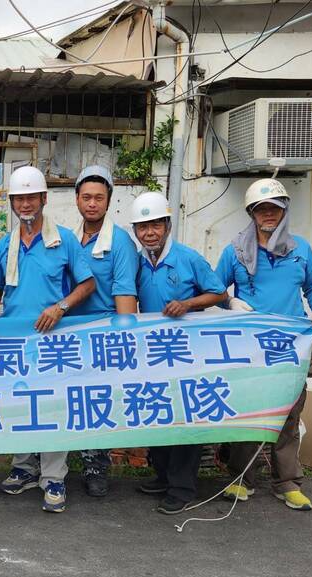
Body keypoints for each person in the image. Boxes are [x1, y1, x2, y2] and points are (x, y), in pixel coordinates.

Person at [215, 178, 312, 511]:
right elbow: (213, 286)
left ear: (284, 211)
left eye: (274, 209)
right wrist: (229, 303)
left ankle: (287, 483)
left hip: (292, 346)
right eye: (262, 209)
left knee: (289, 415)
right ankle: (241, 478)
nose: (269, 214)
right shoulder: (235, 251)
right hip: (250, 347)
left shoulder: (301, 249)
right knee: (250, 413)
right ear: (252, 212)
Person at [0, 166, 95, 513]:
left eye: (30, 197)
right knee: (20, 404)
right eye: (18, 198)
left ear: (43, 199)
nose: (25, 204)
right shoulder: (5, 245)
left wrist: (61, 307)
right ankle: (23, 468)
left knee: (53, 408)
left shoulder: (63, 239)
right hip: (15, 344)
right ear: (12, 202)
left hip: (53, 342)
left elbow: (87, 284)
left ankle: (53, 477)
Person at [129, 192, 228, 515]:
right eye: (143, 227)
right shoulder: (137, 262)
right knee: (158, 413)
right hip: (153, 353)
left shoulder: (188, 259)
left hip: (187, 354)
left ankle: (182, 488)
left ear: (168, 225)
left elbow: (218, 293)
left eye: (156, 224)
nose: (150, 233)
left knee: (185, 420)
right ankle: (162, 475)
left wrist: (188, 304)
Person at [69, 165, 138, 498]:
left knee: (97, 402)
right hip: (67, 334)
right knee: (67, 399)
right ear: (77, 200)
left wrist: (125, 341)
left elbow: (125, 292)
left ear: (109, 201)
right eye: (86, 197)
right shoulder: (68, 237)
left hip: (103, 334)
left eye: (98, 198)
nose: (92, 204)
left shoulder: (120, 242)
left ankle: (96, 466)